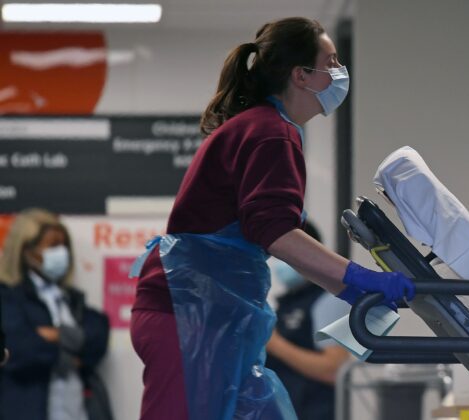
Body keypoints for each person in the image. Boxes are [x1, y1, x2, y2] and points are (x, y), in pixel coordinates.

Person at [129, 17, 415, 420]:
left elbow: (269, 229)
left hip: (209, 311)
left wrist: (349, 291)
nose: (339, 72)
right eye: (331, 62)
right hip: (189, 314)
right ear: (301, 75)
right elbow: (275, 232)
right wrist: (358, 278)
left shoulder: (263, 128)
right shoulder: (271, 133)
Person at [0, 208, 111, 420]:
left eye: (64, 246)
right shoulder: (7, 298)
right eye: (52, 246)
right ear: (26, 250)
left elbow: (98, 335)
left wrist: (54, 335)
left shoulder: (70, 298)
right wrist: (71, 353)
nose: (61, 253)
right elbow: (20, 351)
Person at [265, 221, 350, 420]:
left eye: (286, 257)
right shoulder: (288, 301)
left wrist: (275, 344)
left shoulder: (328, 301)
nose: (280, 264)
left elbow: (333, 370)